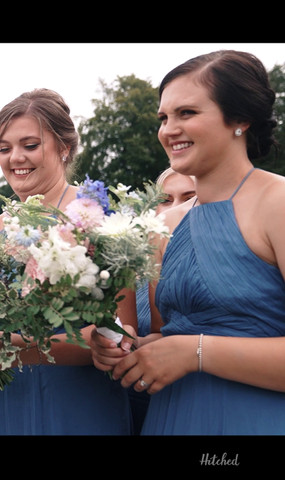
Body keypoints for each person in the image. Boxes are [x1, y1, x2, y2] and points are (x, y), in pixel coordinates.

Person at [91, 50, 285, 435]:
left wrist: (196, 353)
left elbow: (186, 346)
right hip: (170, 418)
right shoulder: (163, 225)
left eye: (187, 114)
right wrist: (120, 347)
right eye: (164, 118)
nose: (168, 130)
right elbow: (169, 334)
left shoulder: (277, 202)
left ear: (241, 119)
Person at [0, 88, 135, 435]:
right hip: (5, 398)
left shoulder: (98, 221)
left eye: (30, 145)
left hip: (74, 399)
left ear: (64, 147)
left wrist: (15, 351)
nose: (15, 158)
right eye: (4, 148)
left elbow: (121, 333)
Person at [127, 167, 195, 435]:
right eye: (165, 200)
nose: (174, 209)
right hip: (133, 402)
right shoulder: (129, 270)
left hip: (188, 400)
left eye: (189, 198)